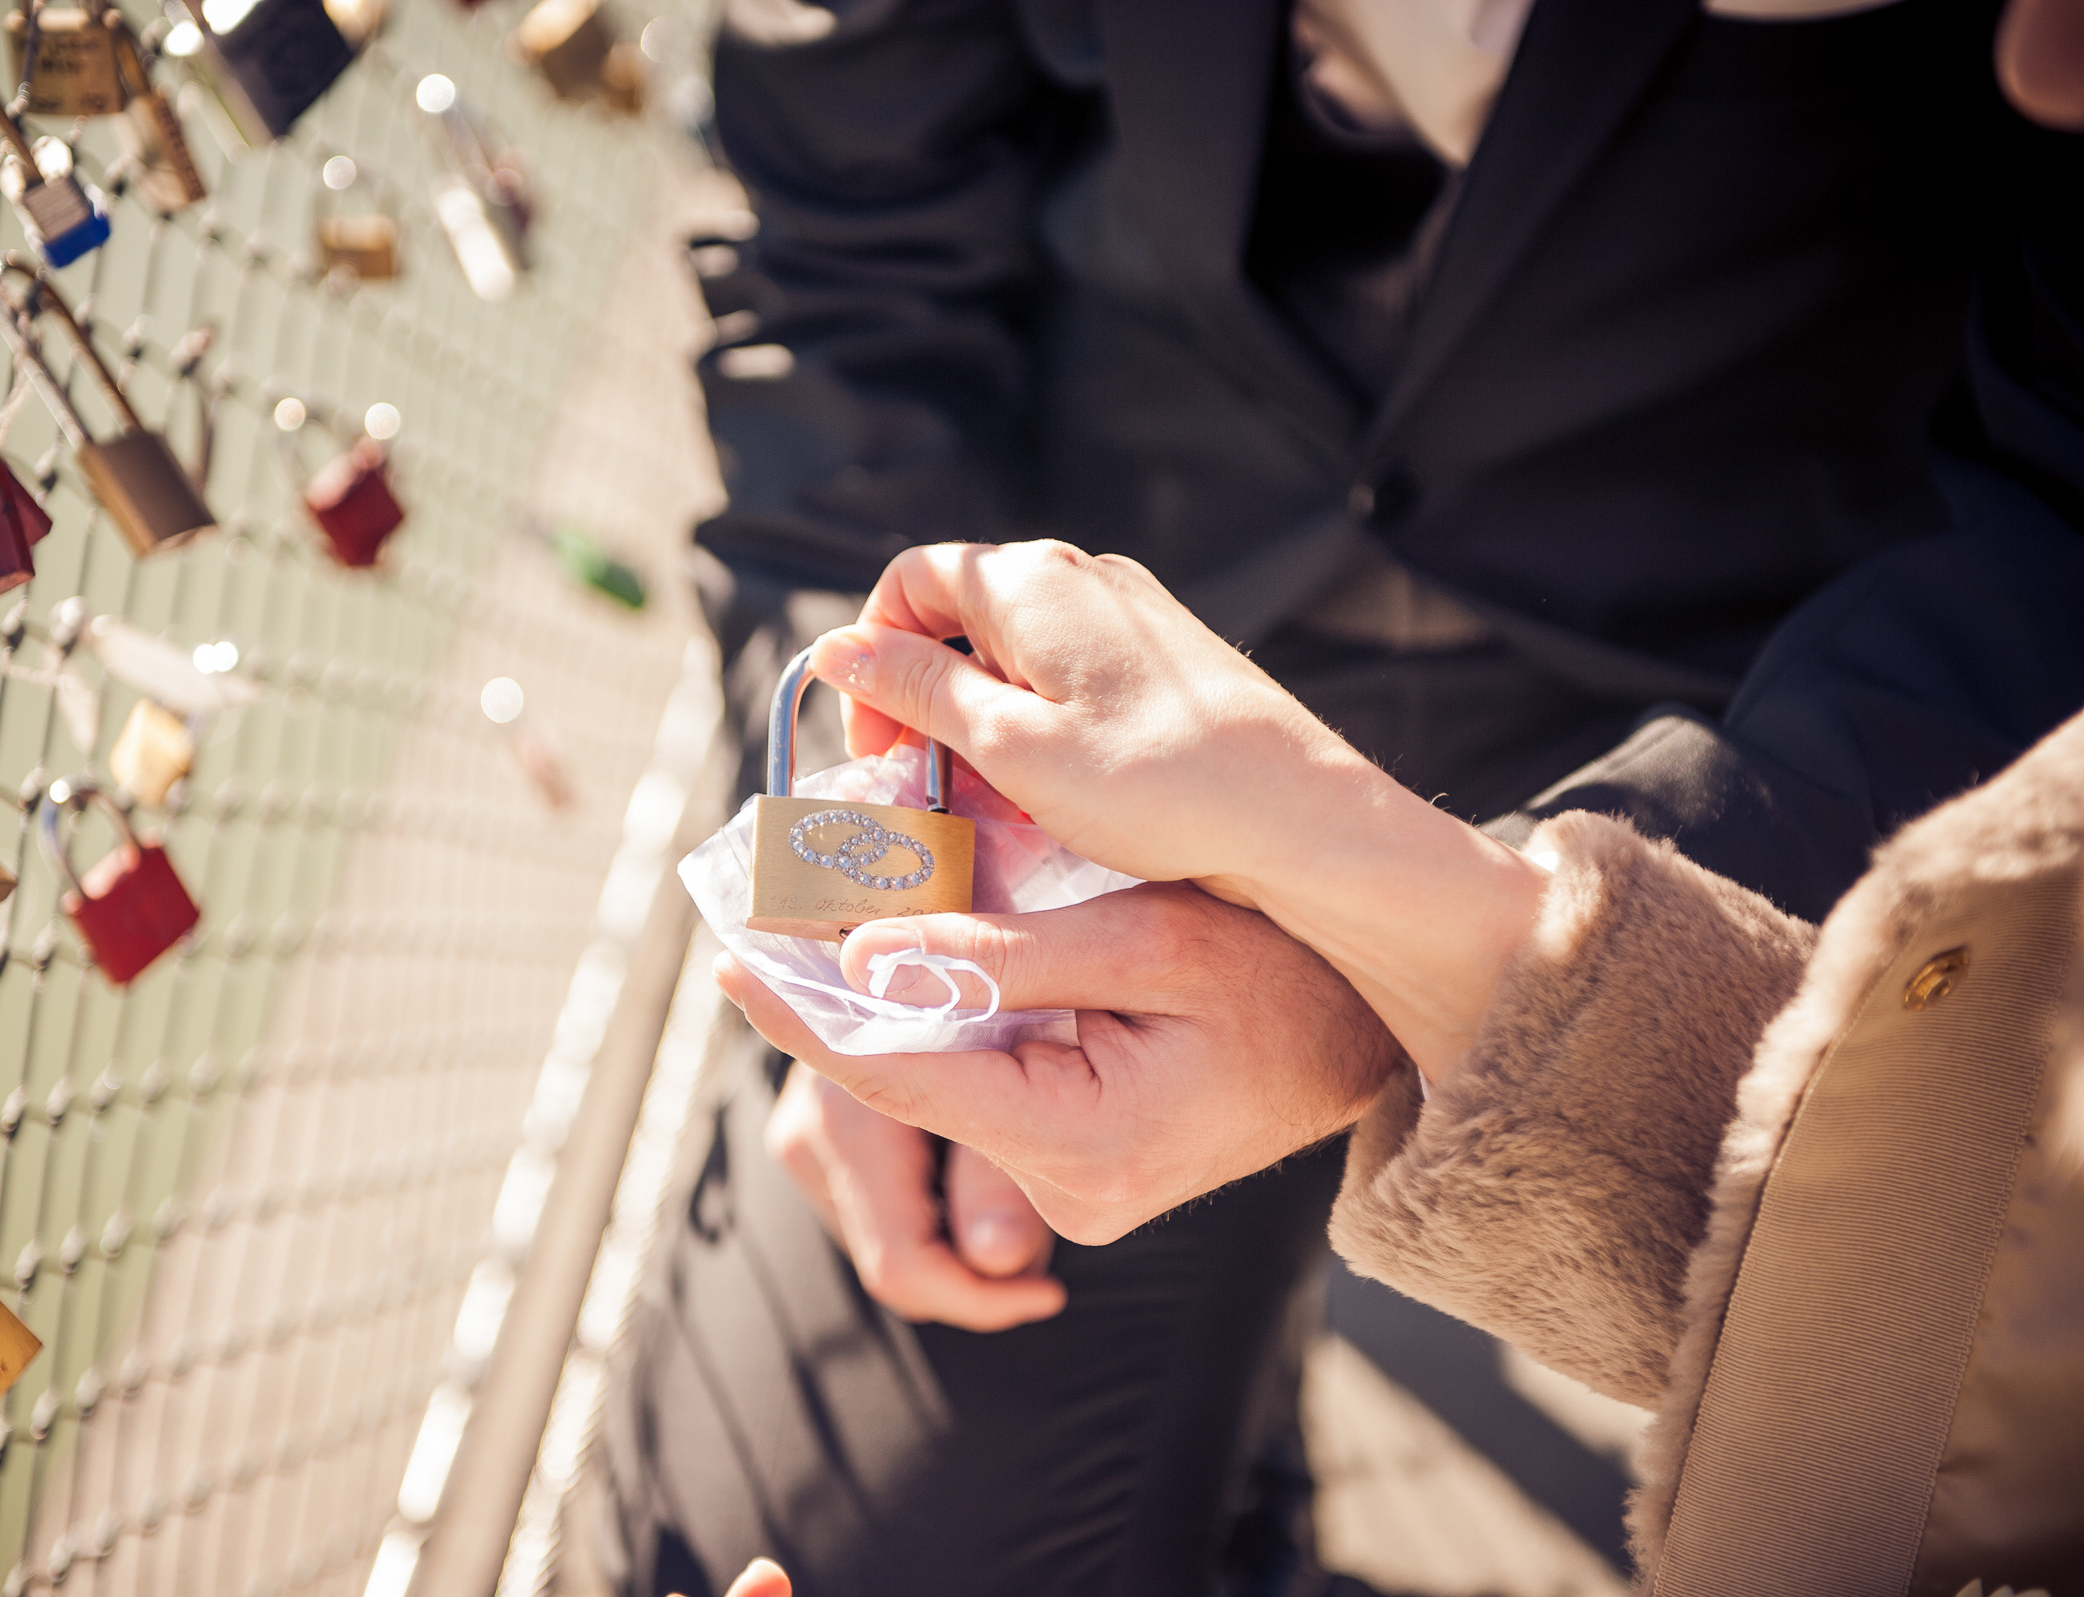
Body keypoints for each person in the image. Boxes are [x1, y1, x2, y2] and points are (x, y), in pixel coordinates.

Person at [610, 0, 2084, 1589]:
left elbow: (2061, 526)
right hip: (1081, 659)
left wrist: (1381, 969)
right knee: (788, 1547)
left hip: (1753, 696)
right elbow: (848, 251)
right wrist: (886, 874)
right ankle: (1241, 1500)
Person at [719, 546, 2084, 1588]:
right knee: (763, 1496)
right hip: (1050, 747)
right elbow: (834, 314)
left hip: (1659, 688)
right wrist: (875, 802)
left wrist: (1358, 960)